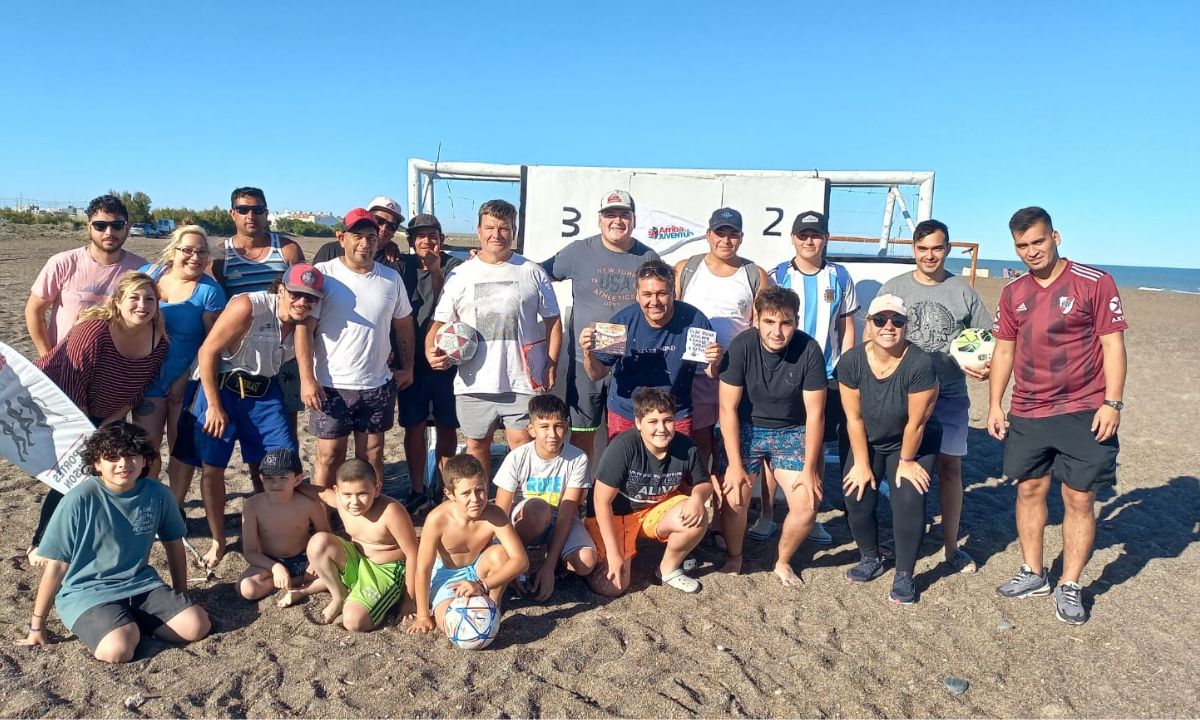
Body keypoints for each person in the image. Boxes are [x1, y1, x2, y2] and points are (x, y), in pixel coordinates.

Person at [988, 207, 1127, 626]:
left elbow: (1113, 345)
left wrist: (1113, 403)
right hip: (1028, 409)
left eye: (1038, 241)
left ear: (1056, 237)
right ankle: (1034, 572)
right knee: (1029, 489)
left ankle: (1069, 583)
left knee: (1079, 498)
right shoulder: (1013, 292)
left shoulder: (1094, 282)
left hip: (1084, 409)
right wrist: (995, 403)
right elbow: (1005, 349)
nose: (1031, 251)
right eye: (1022, 245)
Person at [14, 422, 210, 663]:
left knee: (196, 626)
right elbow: (57, 565)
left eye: (132, 456)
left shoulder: (158, 493)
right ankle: (124, 626)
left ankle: (130, 622)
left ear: (145, 460)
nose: (124, 464)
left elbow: (174, 543)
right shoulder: (79, 499)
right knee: (118, 650)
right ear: (97, 463)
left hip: (141, 584)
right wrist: (37, 625)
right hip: (88, 592)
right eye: (113, 457)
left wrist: (181, 594)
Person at [173, 264, 325, 570]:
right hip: (223, 387)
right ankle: (219, 540)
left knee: (283, 462)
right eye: (295, 294)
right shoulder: (249, 306)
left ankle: (273, 527)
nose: (302, 302)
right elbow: (207, 352)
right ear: (280, 289)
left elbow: (313, 342)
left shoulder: (305, 320)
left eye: (310, 297)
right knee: (213, 468)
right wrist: (214, 405)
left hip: (264, 391)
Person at [28, 272, 168, 564]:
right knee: (73, 473)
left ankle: (87, 535)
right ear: (117, 302)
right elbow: (72, 382)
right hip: (57, 403)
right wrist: (86, 430)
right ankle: (41, 542)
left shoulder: (159, 342)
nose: (142, 305)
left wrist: (106, 425)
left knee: (101, 474)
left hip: (106, 412)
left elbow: (135, 391)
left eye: (149, 299)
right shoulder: (93, 330)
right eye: (134, 298)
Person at [878, 219, 991, 573]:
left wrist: (985, 366)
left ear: (948, 249)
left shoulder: (962, 291)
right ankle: (900, 538)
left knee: (950, 468)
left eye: (937, 248)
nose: (930, 255)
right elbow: (876, 337)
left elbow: (988, 339)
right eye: (923, 248)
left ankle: (951, 547)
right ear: (913, 249)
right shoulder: (895, 288)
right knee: (901, 467)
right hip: (903, 395)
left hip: (950, 394)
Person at [427, 200, 561, 479]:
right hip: (474, 381)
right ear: (479, 231)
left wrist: (551, 361)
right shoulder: (460, 275)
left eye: (504, 228)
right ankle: (483, 499)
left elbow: (553, 321)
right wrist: (431, 350)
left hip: (521, 379)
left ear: (514, 231)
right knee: (476, 445)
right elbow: (439, 324)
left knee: (522, 445)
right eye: (490, 228)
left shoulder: (532, 271)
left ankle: (518, 502)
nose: (496, 234)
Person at [715, 287, 827, 583]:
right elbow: (727, 408)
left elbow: (815, 415)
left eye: (786, 323)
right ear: (756, 320)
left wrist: (810, 469)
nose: (777, 331)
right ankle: (735, 556)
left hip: (791, 429)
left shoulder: (809, 349)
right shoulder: (742, 346)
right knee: (735, 496)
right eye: (769, 321)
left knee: (807, 504)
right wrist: (735, 465)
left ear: (796, 321)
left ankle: (782, 561)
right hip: (746, 427)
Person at [837, 294, 941, 605]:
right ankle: (871, 557)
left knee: (908, 496)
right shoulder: (851, 361)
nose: (888, 326)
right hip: (868, 437)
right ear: (868, 324)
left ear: (906, 326)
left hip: (911, 441)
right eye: (880, 320)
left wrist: (907, 461)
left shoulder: (919, 363)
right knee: (856, 493)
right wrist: (861, 463)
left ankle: (905, 574)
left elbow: (916, 423)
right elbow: (853, 418)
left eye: (897, 321)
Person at [540, 190, 660, 460]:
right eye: (610, 215)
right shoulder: (578, 251)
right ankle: (583, 486)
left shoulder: (648, 257)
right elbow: (536, 273)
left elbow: (662, 300)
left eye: (624, 215)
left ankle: (622, 486)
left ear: (634, 219)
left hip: (630, 363)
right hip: (585, 361)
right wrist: (496, 260)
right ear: (599, 220)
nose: (617, 221)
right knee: (583, 432)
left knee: (630, 434)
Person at [764, 210, 859, 546]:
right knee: (773, 442)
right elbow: (765, 323)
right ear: (793, 238)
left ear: (825, 239)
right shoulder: (778, 275)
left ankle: (812, 514)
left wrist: (847, 367)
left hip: (827, 374)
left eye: (815, 235)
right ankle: (766, 515)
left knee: (815, 445)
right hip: (783, 372)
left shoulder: (840, 275)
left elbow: (846, 326)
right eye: (803, 235)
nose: (809, 241)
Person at [302, 209, 415, 488]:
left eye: (371, 237)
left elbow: (403, 325)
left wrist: (408, 367)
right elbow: (304, 328)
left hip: (377, 384)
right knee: (330, 456)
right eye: (357, 236)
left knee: (373, 454)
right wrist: (307, 379)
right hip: (330, 384)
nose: (365, 243)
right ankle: (324, 510)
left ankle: (371, 509)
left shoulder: (391, 279)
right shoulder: (323, 274)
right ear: (342, 238)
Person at [586, 388, 713, 596]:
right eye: (653, 422)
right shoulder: (623, 447)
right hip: (617, 514)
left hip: (654, 509)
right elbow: (601, 501)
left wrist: (698, 498)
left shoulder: (686, 447)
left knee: (697, 517)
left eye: (667, 420)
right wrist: (614, 553)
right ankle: (600, 557)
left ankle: (667, 570)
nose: (661, 428)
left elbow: (704, 483)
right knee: (612, 588)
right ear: (638, 423)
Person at [580, 260, 722, 442]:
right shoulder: (621, 322)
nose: (654, 302)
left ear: (673, 293)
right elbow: (597, 374)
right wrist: (588, 353)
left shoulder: (694, 319)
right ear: (637, 296)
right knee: (623, 461)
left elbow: (711, 373)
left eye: (661, 294)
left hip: (674, 414)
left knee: (679, 461)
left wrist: (716, 360)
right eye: (647, 294)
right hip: (627, 413)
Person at [132, 226, 227, 479]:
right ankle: (149, 496)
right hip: (146, 379)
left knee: (179, 448)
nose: (195, 257)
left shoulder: (210, 292)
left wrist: (184, 378)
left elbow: (213, 343)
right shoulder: (148, 275)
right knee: (145, 447)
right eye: (187, 250)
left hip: (185, 381)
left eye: (202, 252)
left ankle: (175, 501)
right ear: (173, 251)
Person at [675, 207, 768, 465]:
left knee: (730, 445)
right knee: (698, 444)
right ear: (708, 234)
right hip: (692, 374)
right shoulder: (686, 269)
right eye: (720, 233)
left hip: (735, 375)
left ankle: (725, 489)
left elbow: (760, 327)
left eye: (733, 234)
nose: (726, 240)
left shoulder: (755, 274)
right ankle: (701, 488)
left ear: (741, 237)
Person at [211, 186, 306, 428]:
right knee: (247, 422)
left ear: (266, 212)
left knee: (285, 423)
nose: (251, 215)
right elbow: (214, 305)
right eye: (243, 210)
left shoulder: (287, 250)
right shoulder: (221, 255)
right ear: (232, 213)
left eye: (258, 210)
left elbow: (304, 297)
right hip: (241, 353)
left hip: (284, 351)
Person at [408, 454, 529, 638]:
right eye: (465, 493)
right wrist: (423, 614)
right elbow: (423, 568)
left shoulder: (495, 514)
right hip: (447, 575)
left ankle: (493, 604)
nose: (475, 499)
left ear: (487, 485)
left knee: (501, 554)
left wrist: (483, 584)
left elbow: (521, 561)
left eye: (480, 490)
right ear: (450, 494)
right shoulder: (437, 520)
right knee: (455, 627)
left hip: (479, 569)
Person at [492, 395, 596, 600]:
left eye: (558, 426)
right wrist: (504, 558)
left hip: (560, 520)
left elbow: (567, 513)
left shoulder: (578, 458)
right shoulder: (517, 457)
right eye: (544, 427)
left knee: (586, 562)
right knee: (539, 509)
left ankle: (553, 564)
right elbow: (501, 511)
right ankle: (519, 564)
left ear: (566, 426)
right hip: (526, 520)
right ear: (531, 429)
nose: (552, 434)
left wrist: (549, 566)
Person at [303, 459, 420, 631]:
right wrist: (291, 485)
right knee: (318, 542)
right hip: (356, 559)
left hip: (386, 569)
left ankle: (362, 595)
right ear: (337, 491)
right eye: (347, 494)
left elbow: (413, 553)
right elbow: (320, 493)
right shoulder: (341, 502)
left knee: (354, 622)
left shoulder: (391, 512)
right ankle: (339, 596)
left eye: (362, 493)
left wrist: (409, 600)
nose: (354, 501)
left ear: (377, 488)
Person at [25, 194, 146, 358]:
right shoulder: (63, 263)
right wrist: (47, 358)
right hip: (65, 361)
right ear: (89, 227)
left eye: (117, 225)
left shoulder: (140, 269)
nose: (109, 232)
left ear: (127, 228)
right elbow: (34, 311)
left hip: (113, 364)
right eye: (100, 226)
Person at [397, 213, 462, 513]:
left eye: (432, 235)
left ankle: (443, 488)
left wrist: (436, 272)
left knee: (447, 426)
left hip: (446, 361)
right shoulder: (402, 266)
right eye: (419, 236)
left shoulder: (454, 266)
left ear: (441, 238)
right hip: (411, 361)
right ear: (411, 241)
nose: (426, 241)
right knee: (414, 426)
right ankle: (417, 488)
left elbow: (447, 307)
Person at [236, 448, 332, 604]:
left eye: (283, 478)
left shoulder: (309, 504)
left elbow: (326, 535)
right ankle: (296, 580)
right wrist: (275, 567)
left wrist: (314, 561)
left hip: (305, 559)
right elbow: (250, 552)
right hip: (269, 561)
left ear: (297, 479)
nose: (276, 484)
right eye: (269, 478)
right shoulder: (252, 506)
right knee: (247, 589)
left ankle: (294, 581)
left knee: (339, 572)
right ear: (261, 478)